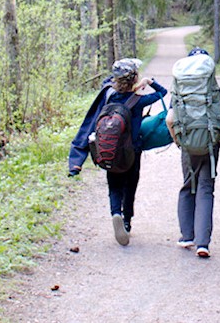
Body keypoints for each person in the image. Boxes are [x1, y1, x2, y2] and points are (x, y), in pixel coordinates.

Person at [68, 58, 168, 246]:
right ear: (134, 79)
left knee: (114, 185)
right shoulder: (139, 100)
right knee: (130, 185)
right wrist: (148, 82)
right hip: (132, 151)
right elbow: (163, 93)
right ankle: (127, 222)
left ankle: (116, 213)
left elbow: (107, 82)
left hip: (110, 151)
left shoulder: (108, 96)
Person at [166, 48, 220, 258]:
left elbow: (170, 120)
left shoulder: (181, 90)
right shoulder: (214, 91)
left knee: (188, 186)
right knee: (206, 188)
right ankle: (203, 243)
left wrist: (178, 140)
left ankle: (187, 236)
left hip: (187, 143)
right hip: (210, 143)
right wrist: (219, 136)